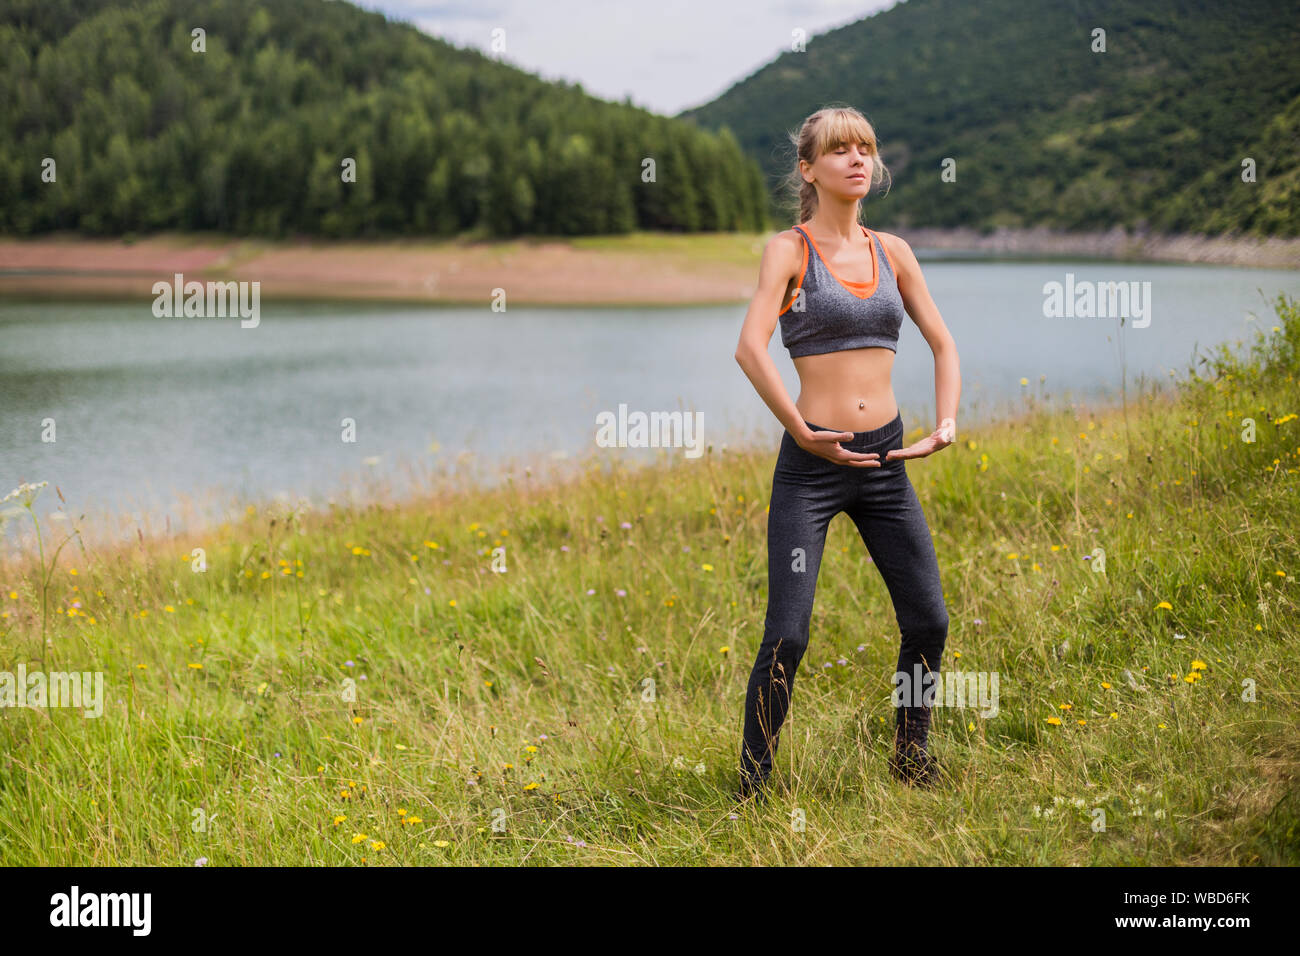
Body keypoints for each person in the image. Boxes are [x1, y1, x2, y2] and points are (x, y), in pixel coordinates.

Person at [732, 105, 961, 800]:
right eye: (839, 150)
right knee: (788, 635)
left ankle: (910, 755)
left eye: (865, 147)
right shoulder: (789, 251)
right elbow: (749, 347)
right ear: (810, 169)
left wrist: (945, 423)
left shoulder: (893, 251)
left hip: (888, 465)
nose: (857, 159)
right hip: (812, 470)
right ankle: (753, 783)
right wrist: (800, 430)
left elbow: (944, 343)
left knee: (928, 619)